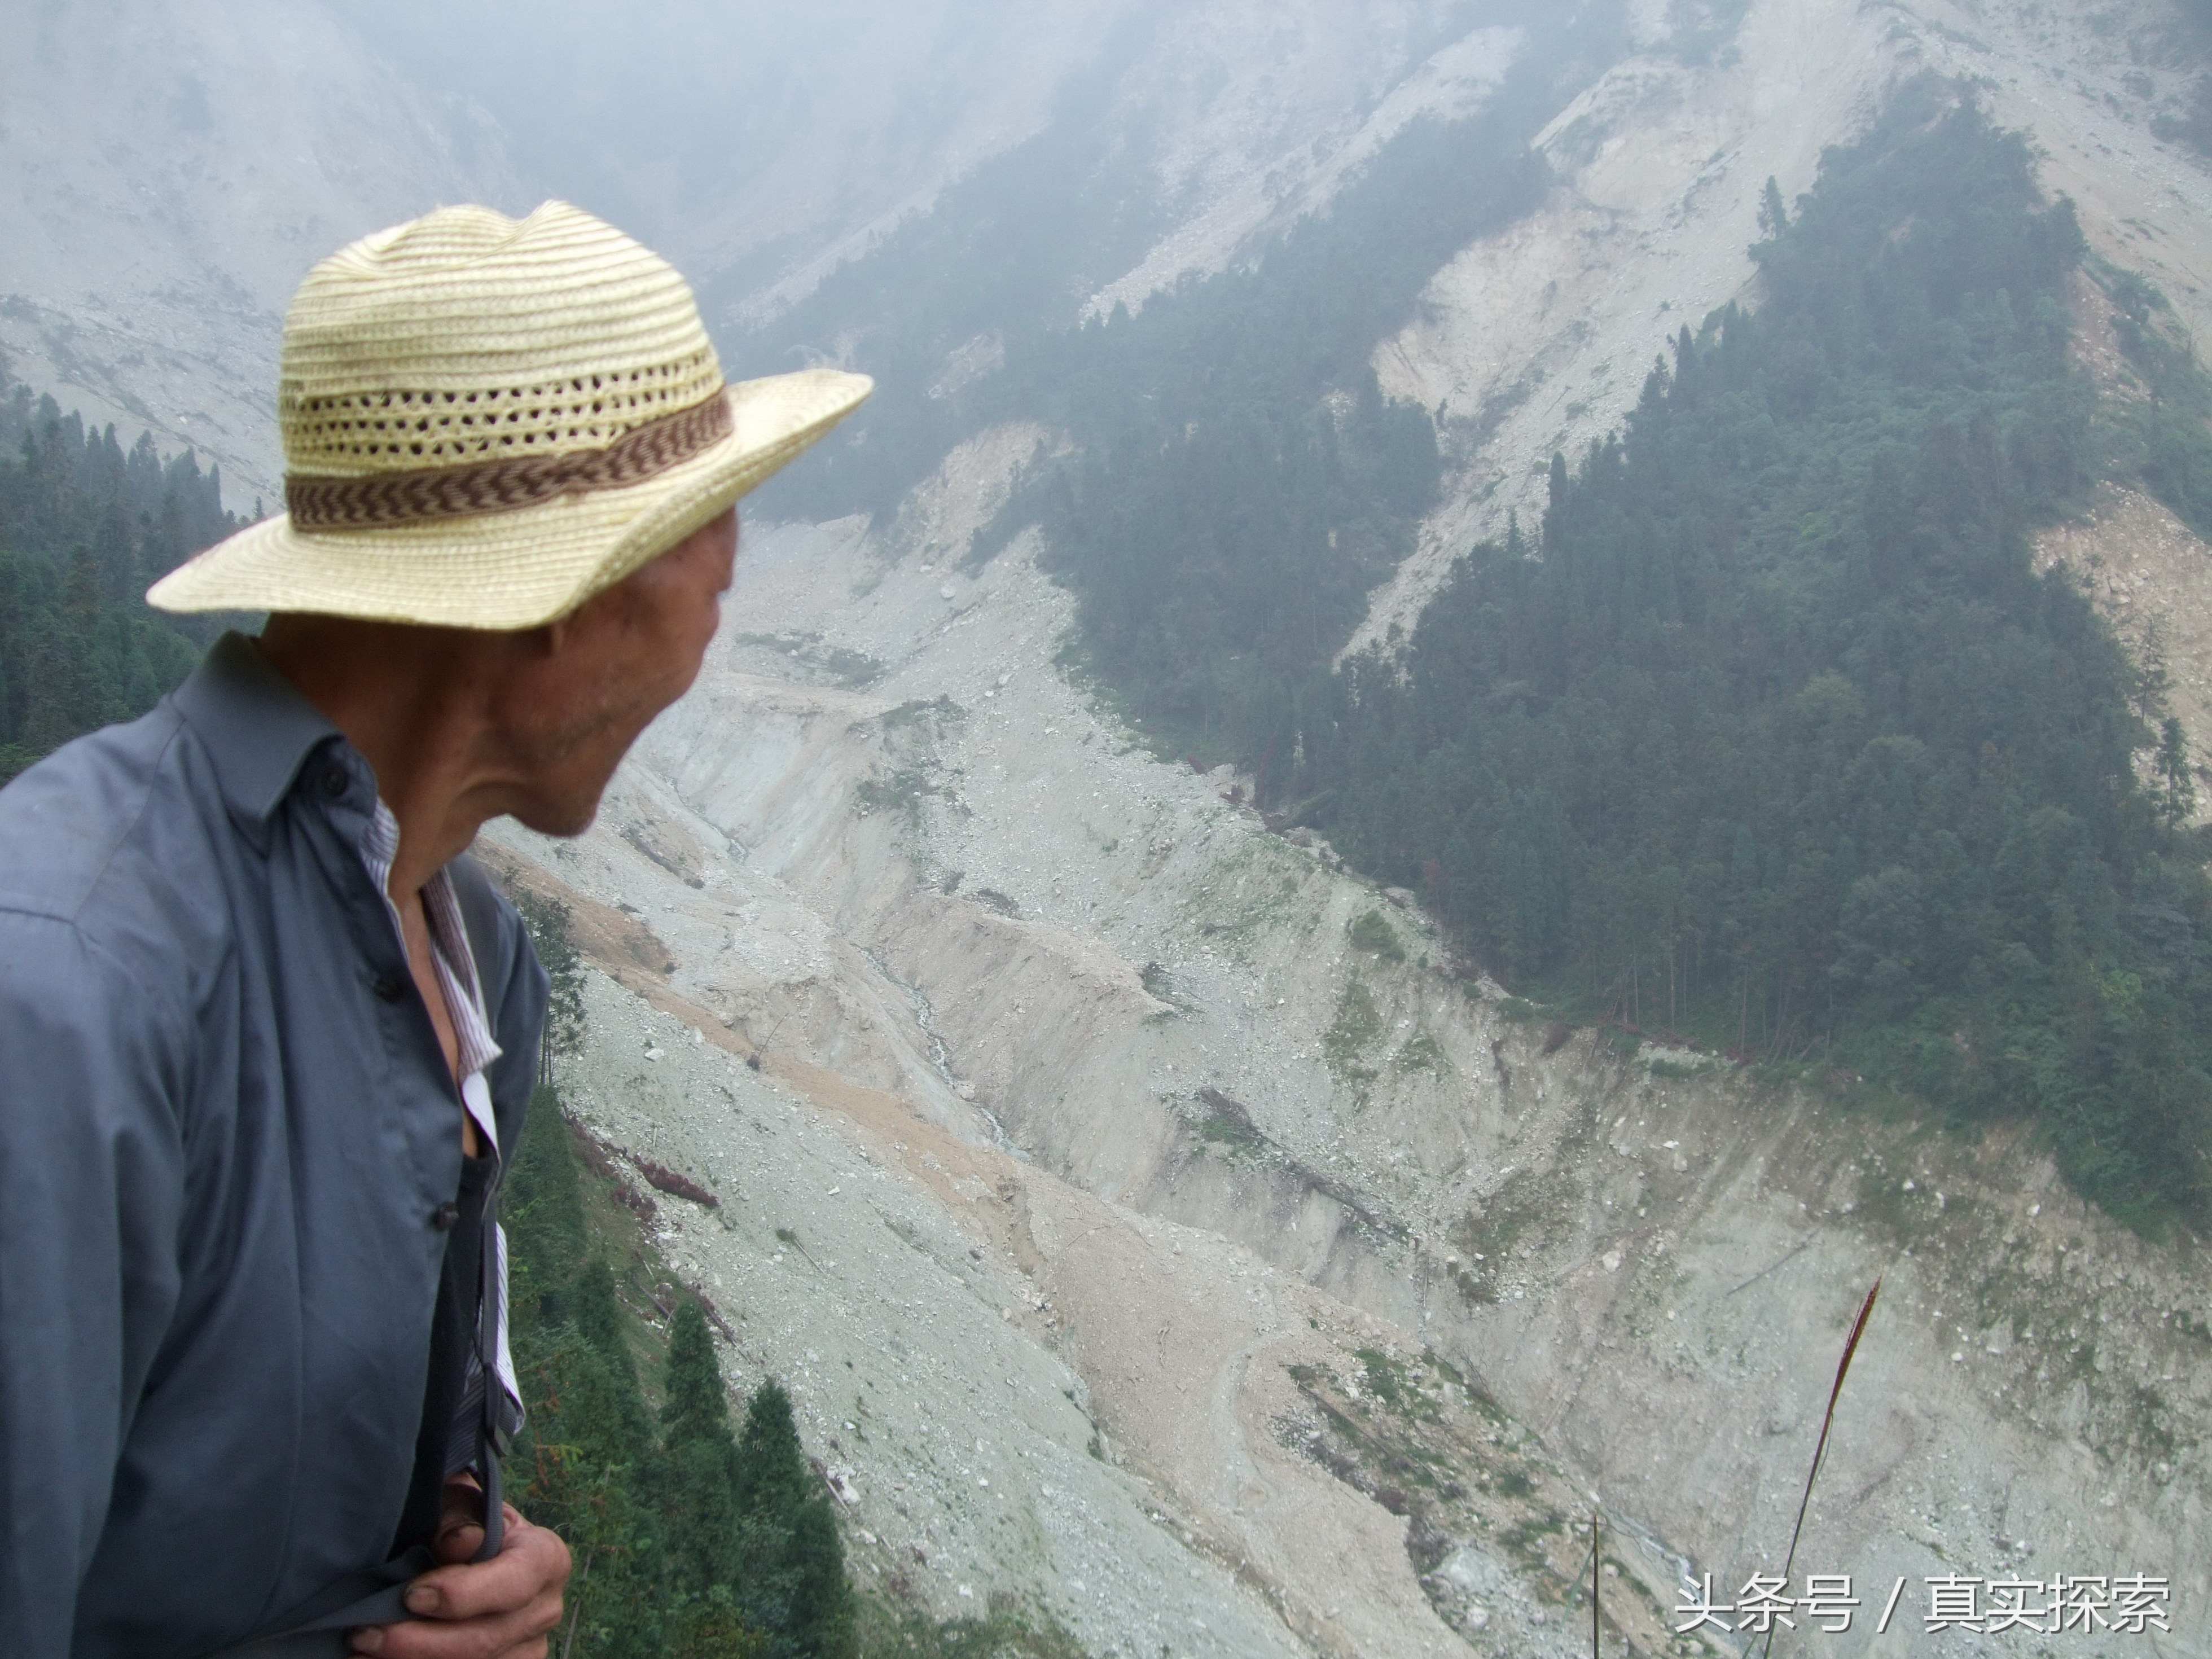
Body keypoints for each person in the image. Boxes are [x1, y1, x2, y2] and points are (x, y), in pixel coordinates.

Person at [0, 202, 869, 1659]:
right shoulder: (66, 991)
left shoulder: (473, 955)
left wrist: (469, 1564)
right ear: (560, 597)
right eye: (706, 523)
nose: (726, 581)